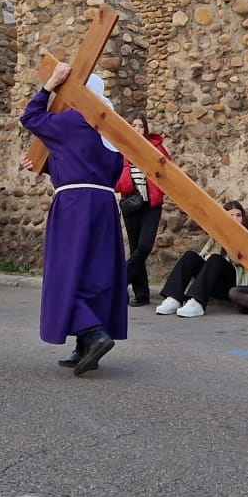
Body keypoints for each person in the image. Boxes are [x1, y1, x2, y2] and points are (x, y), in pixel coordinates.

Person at [19, 65, 127, 375]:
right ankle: (84, 344)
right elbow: (86, 163)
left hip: (75, 205)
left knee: (65, 272)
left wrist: (48, 87)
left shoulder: (74, 120)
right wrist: (46, 167)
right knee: (93, 274)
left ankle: (93, 333)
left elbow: (31, 117)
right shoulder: (112, 128)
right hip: (104, 204)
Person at [154, 201, 248, 318]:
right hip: (213, 280)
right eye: (231, 215)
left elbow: (245, 264)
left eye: (238, 215)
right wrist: (206, 257)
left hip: (234, 284)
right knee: (190, 256)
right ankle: (174, 298)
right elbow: (204, 253)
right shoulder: (219, 235)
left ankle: (197, 302)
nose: (235, 218)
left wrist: (217, 256)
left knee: (216, 259)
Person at [114, 115, 170, 306]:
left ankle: (119, 282)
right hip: (131, 202)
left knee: (144, 247)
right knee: (137, 246)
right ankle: (141, 294)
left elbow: (167, 171)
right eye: (134, 125)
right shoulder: (121, 148)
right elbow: (114, 176)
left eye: (141, 125)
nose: (137, 128)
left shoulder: (155, 147)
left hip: (151, 204)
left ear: (145, 129)